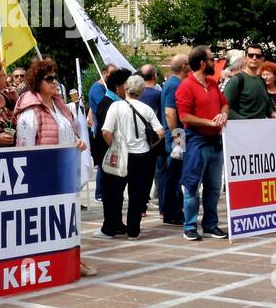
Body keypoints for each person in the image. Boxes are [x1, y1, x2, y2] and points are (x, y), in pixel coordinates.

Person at [14, 58, 94, 276]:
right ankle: (41, 264)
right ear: (37, 81)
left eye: (55, 77)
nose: (55, 82)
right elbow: (24, 147)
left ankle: (69, 260)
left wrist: (76, 143)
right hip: (42, 177)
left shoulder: (59, 106)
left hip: (64, 174)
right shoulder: (30, 109)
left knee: (66, 221)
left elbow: (69, 134)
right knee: (42, 224)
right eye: (49, 78)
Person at [100, 74, 164, 240]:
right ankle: (133, 231)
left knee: (114, 193)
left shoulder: (116, 106)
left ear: (126, 89)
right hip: (142, 156)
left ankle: (111, 228)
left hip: (122, 155)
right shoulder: (146, 108)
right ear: (141, 91)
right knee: (137, 195)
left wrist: (114, 145)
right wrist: (149, 145)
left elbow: (106, 131)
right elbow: (160, 132)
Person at [175, 46, 229, 241]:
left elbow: (224, 102)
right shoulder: (186, 86)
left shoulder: (212, 84)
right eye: (212, 59)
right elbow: (184, 116)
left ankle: (210, 224)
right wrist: (209, 121)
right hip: (197, 140)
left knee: (214, 187)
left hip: (215, 141)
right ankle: (189, 226)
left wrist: (223, 114)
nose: (215, 62)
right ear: (202, 63)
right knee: (192, 185)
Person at [160, 54, 188, 226]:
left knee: (174, 175)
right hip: (177, 135)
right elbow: (170, 113)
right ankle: (172, 211)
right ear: (184, 66)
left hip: (177, 134)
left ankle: (172, 210)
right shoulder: (174, 85)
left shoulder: (173, 83)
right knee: (174, 175)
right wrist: (177, 138)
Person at [224, 45, 276, 121]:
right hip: (241, 129)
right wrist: (244, 121)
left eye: (258, 56)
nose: (254, 58)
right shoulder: (236, 80)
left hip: (261, 128)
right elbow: (225, 106)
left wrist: (274, 114)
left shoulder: (262, 81)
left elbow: (267, 107)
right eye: (251, 55)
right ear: (245, 58)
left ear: (262, 59)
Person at [87, 62, 116, 203]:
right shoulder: (97, 88)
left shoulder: (106, 88)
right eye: (111, 73)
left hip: (107, 129)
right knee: (103, 163)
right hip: (101, 129)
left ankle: (107, 191)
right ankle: (99, 193)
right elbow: (103, 107)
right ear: (104, 73)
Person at [138, 65, 165, 209]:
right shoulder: (158, 95)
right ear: (155, 76)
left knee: (141, 174)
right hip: (155, 139)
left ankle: (141, 206)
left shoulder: (135, 95)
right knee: (158, 173)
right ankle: (162, 205)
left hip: (137, 139)